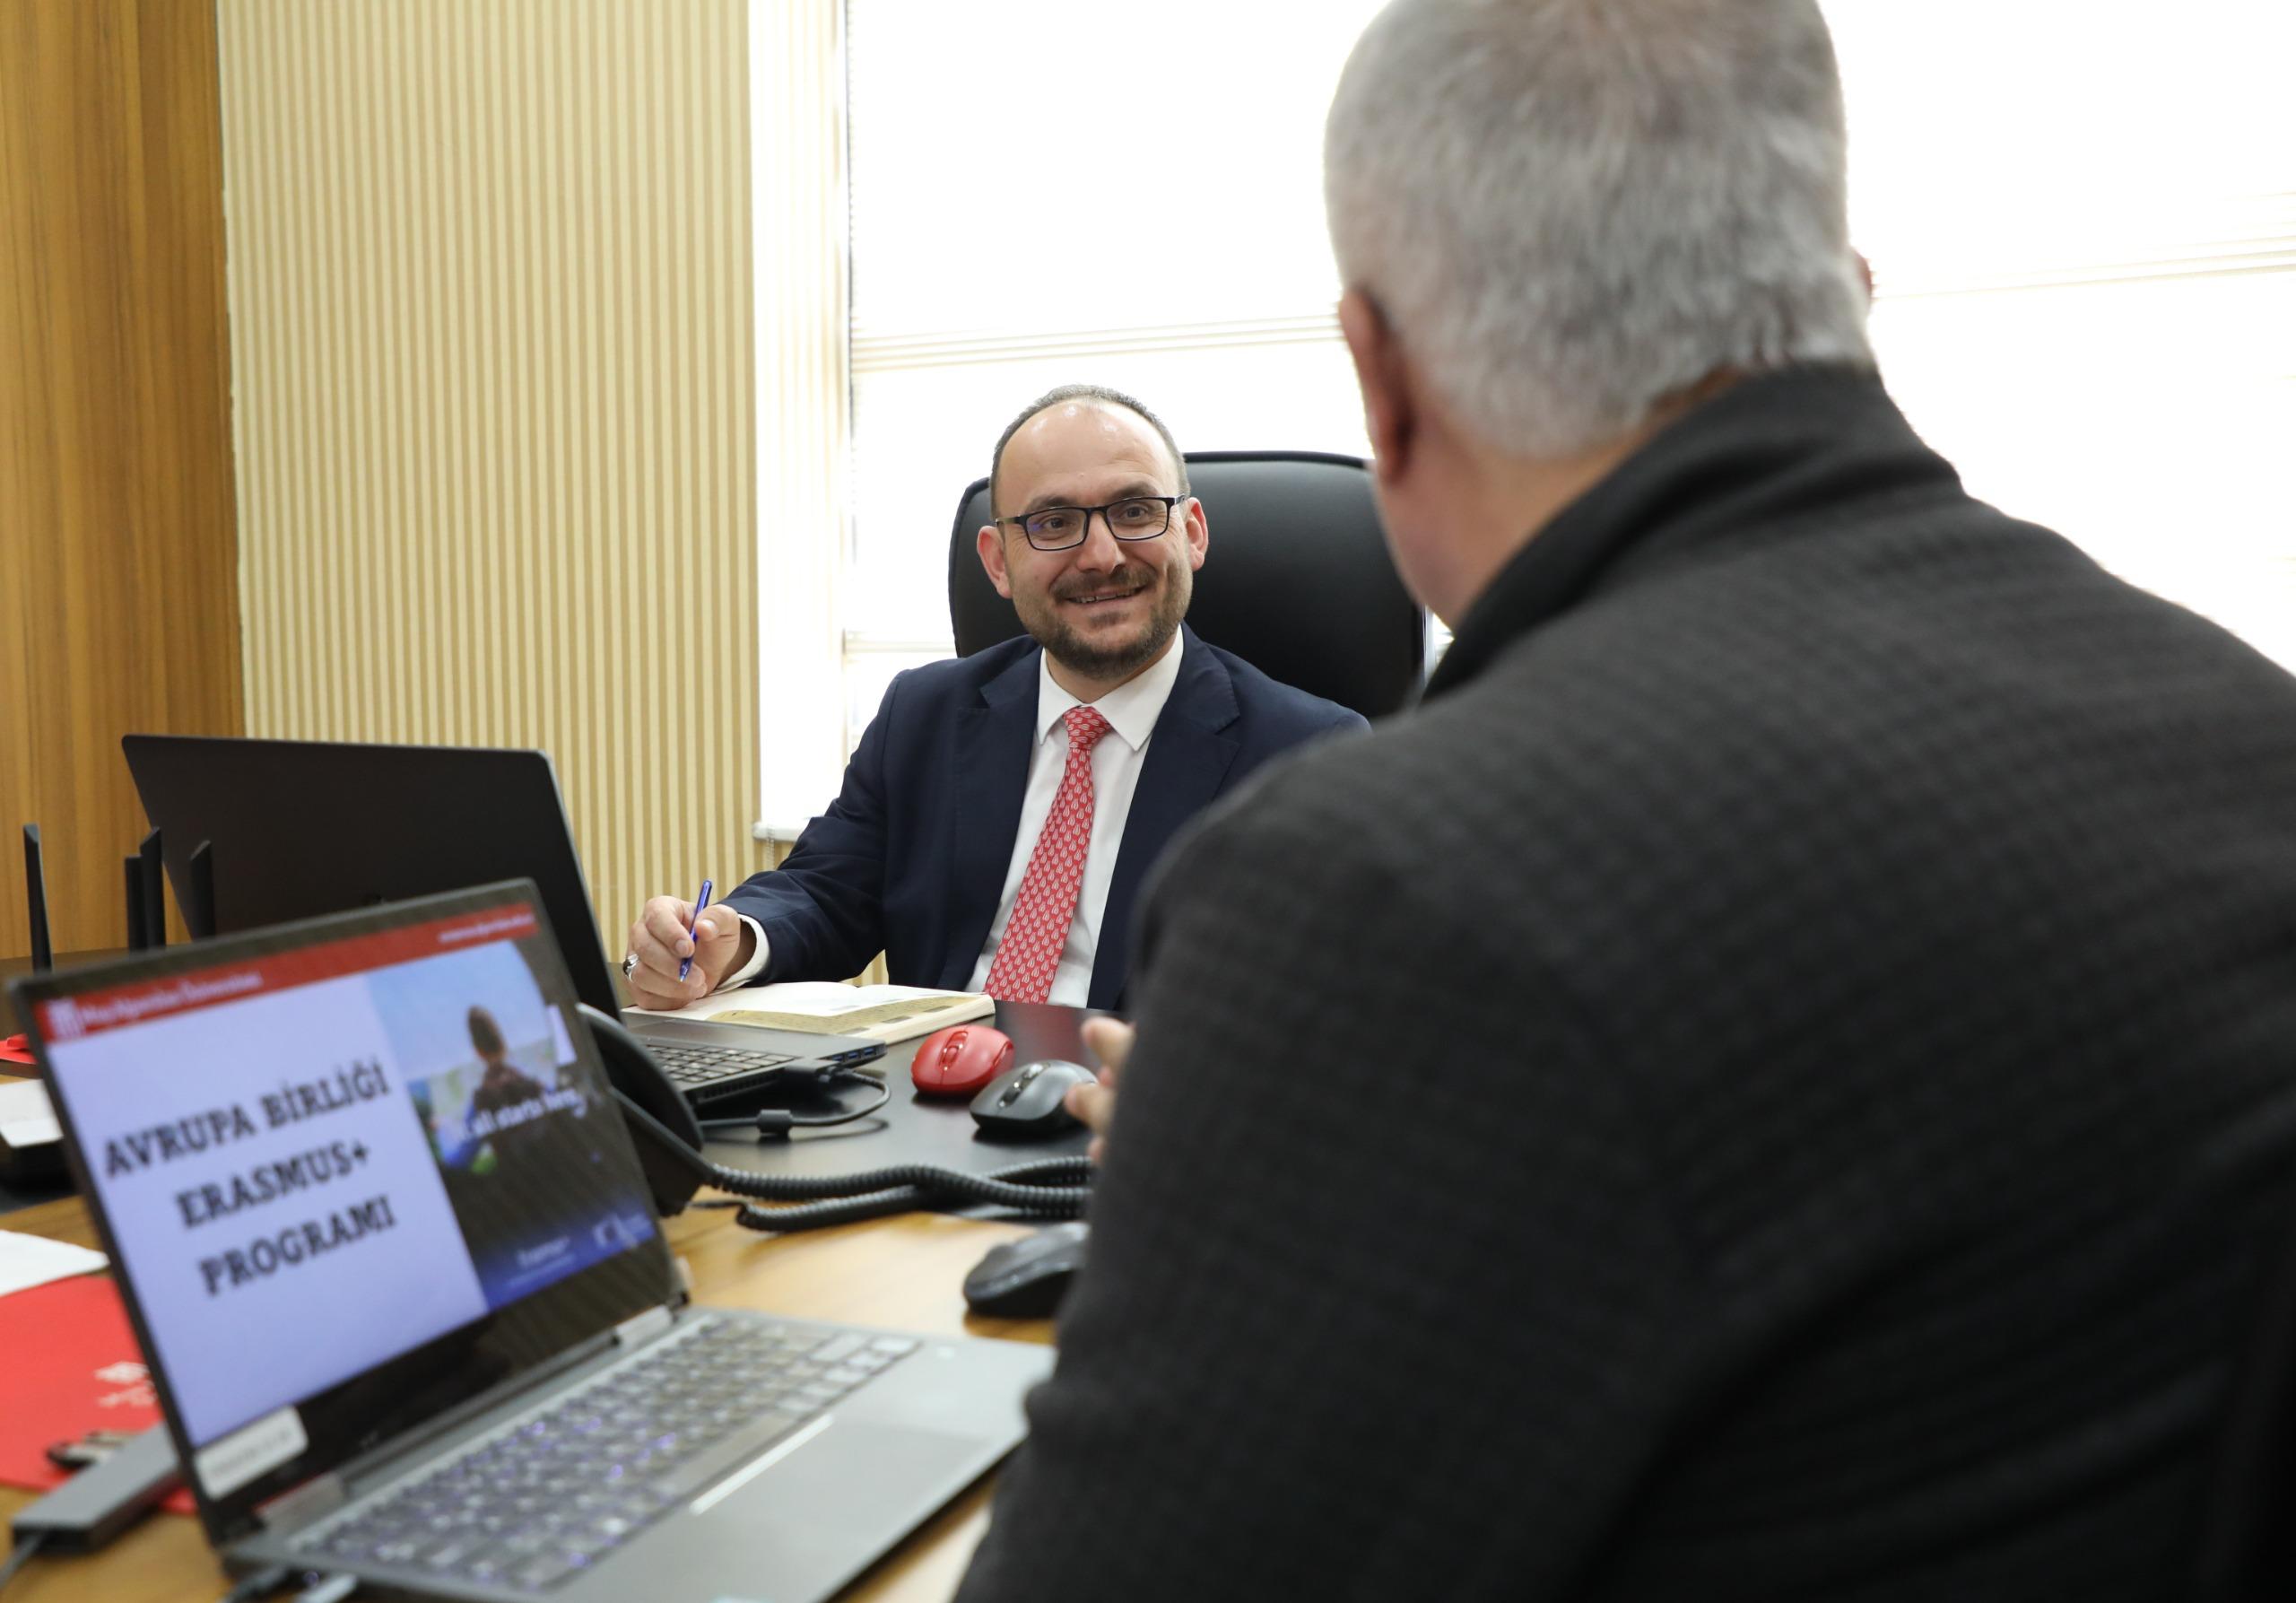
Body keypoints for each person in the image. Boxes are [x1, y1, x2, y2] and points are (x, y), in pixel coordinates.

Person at [956, 2, 2296, 1599]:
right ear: (1844, 297)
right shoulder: (2250, 732)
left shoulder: (1382, 889)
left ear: (1384, 380)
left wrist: (1228, 1190)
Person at [623, 385, 1365, 1011]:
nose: (1101, 555)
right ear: (998, 562)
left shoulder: (1308, 757)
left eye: (1136, 511)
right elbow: (824, 891)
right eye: (1054, 523)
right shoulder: (925, 713)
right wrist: (733, 941)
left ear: (1192, 533)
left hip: (1140, 1112)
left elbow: (1328, 1008)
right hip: (925, 1095)